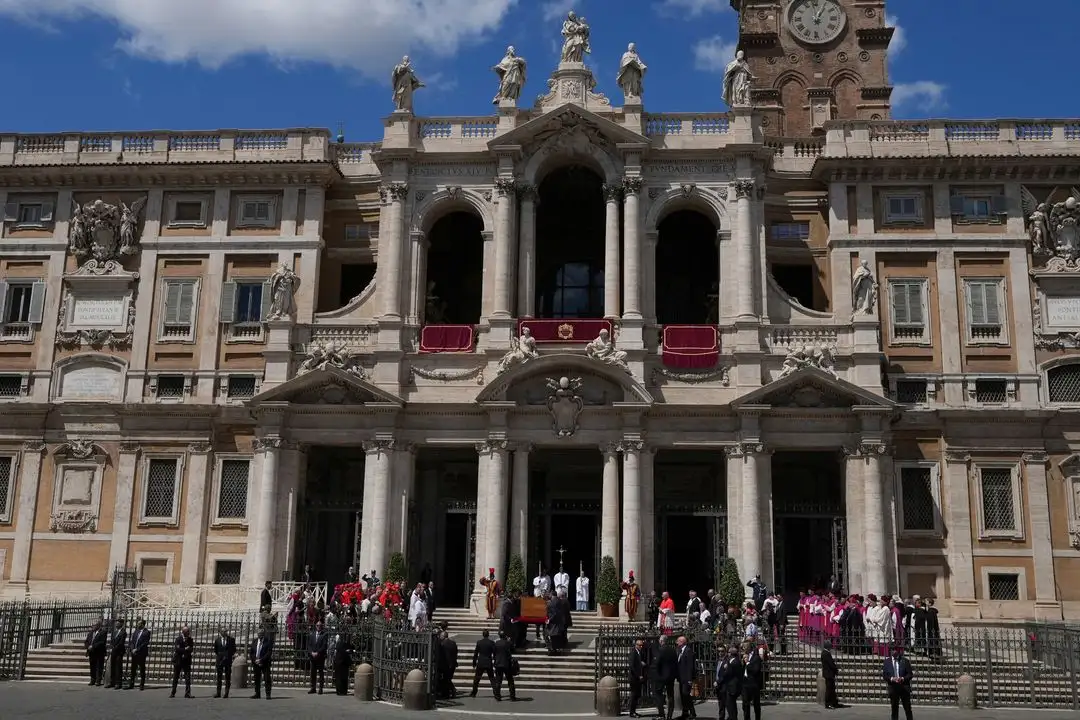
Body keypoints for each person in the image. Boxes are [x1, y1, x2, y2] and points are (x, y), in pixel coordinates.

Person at [883, 645, 914, 720]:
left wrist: (902, 678)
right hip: (893, 688)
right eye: (892, 650)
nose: (894, 651)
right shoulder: (887, 662)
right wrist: (891, 679)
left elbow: (910, 674)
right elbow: (885, 675)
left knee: (907, 708)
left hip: (904, 687)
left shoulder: (905, 661)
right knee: (894, 708)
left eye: (895, 650)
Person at [652, 635, 677, 720]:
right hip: (670, 676)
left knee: (658, 694)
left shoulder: (660, 650)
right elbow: (675, 663)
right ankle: (670, 715)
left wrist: (657, 672)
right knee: (670, 696)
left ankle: (661, 714)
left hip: (661, 676)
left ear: (661, 641)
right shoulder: (673, 650)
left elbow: (657, 663)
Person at [715, 644, 742, 720]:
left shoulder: (729, 661)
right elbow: (717, 672)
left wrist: (718, 681)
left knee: (729, 705)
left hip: (725, 686)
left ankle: (732, 717)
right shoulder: (718, 661)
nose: (720, 653)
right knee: (721, 704)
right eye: (719, 651)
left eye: (722, 651)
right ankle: (722, 717)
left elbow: (725, 674)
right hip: (718, 685)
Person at [471, 629, 497, 698]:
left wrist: (474, 662)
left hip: (481, 662)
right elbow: (494, 653)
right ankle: (496, 693)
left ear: (483, 635)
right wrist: (495, 661)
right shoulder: (491, 643)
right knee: (492, 679)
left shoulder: (479, 642)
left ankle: (474, 692)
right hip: (488, 661)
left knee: (477, 679)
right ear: (488, 635)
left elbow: (476, 653)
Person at [675, 635, 696, 720]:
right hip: (681, 677)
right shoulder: (679, 650)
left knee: (686, 695)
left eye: (678, 641)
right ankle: (685, 712)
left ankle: (693, 713)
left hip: (687, 678)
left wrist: (690, 679)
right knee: (683, 696)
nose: (677, 642)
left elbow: (690, 666)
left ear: (682, 642)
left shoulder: (688, 651)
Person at [170, 625, 194, 699]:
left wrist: (185, 649)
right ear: (183, 632)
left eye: (188, 631)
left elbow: (191, 649)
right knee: (175, 677)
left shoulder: (190, 639)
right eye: (187, 631)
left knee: (187, 678)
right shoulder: (178, 639)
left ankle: (188, 693)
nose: (188, 633)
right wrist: (185, 649)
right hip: (178, 660)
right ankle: (173, 692)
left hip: (186, 661)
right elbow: (177, 649)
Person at [742, 641, 764, 720]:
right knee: (745, 704)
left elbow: (756, 670)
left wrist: (747, 662)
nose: (743, 648)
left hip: (754, 684)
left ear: (749, 647)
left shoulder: (756, 657)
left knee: (756, 705)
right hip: (745, 684)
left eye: (744, 646)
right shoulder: (744, 656)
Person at [250, 629, 274, 699]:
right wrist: (255, 660)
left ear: (263, 634)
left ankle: (268, 694)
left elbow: (269, 653)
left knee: (267, 678)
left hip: (265, 662)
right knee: (257, 678)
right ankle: (257, 693)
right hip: (256, 662)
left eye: (260, 634)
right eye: (258, 634)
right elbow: (251, 652)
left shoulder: (268, 641)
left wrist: (261, 660)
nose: (259, 635)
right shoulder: (254, 641)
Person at [127, 618, 150, 691]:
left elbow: (145, 643)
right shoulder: (136, 631)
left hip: (141, 653)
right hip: (134, 653)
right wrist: (132, 648)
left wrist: (137, 649)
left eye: (139, 623)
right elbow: (132, 641)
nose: (137, 624)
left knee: (142, 669)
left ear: (143, 624)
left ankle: (142, 684)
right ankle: (131, 683)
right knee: (133, 669)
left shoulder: (147, 632)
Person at [213, 627, 236, 698]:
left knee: (227, 677)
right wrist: (221, 656)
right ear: (220, 633)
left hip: (228, 660)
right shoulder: (217, 640)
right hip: (219, 661)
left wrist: (228, 655)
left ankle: (226, 692)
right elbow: (216, 650)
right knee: (219, 677)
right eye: (223, 631)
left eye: (226, 631)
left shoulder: (231, 640)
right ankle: (218, 692)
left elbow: (234, 649)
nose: (224, 633)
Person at [494, 631, 517, 701]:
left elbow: (494, 653)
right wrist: (510, 641)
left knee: (498, 681)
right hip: (507, 664)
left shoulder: (496, 643)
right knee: (510, 681)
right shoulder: (508, 643)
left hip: (498, 664)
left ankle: (497, 696)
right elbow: (513, 650)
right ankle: (512, 696)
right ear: (505, 636)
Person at [628, 637, 648, 717]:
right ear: (636, 645)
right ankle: (631, 712)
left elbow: (638, 663)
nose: (641, 647)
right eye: (639, 645)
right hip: (634, 678)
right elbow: (632, 666)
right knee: (634, 695)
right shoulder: (633, 653)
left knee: (636, 695)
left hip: (638, 678)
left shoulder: (640, 653)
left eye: (642, 645)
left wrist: (641, 664)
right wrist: (638, 675)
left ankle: (634, 711)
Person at [331, 626, 354, 696]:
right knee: (340, 678)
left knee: (342, 677)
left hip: (342, 663)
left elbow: (350, 650)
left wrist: (349, 651)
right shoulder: (340, 643)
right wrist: (348, 651)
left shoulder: (343, 642)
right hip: (341, 662)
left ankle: (342, 691)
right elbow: (343, 651)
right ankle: (340, 691)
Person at [308, 619, 328, 694]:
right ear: (315, 626)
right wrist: (311, 652)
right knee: (313, 673)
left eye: (320, 625)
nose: (319, 627)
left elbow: (324, 645)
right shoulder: (312, 634)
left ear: (322, 626)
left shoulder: (324, 634)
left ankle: (320, 688)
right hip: (313, 657)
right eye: (317, 625)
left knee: (320, 673)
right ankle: (313, 687)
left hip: (320, 656)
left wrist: (318, 652)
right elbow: (309, 645)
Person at [84, 620, 107, 686]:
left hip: (99, 652)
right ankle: (92, 679)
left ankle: (98, 680)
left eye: (94, 625)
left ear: (98, 625)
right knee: (92, 667)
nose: (92, 626)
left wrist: (93, 646)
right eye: (92, 625)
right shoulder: (90, 633)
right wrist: (87, 646)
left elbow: (102, 642)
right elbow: (87, 641)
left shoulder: (103, 632)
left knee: (99, 667)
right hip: (91, 652)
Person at [106, 618, 126, 689]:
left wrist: (114, 648)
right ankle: (112, 682)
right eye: (116, 623)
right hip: (113, 651)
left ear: (121, 624)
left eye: (118, 623)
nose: (116, 624)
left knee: (118, 667)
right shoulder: (114, 632)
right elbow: (112, 641)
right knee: (113, 666)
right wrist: (111, 647)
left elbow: (121, 643)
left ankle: (118, 683)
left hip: (119, 652)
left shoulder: (123, 632)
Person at [438, 630, 458, 698]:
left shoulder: (442, 644)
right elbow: (455, 653)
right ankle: (448, 692)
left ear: (443, 636)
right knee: (448, 679)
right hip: (452, 664)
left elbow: (441, 655)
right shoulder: (453, 643)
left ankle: (451, 691)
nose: (440, 637)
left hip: (445, 664)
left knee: (446, 679)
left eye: (440, 636)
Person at [821, 639, 840, 708]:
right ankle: (828, 703)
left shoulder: (825, 653)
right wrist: (835, 670)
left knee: (832, 689)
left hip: (828, 674)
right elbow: (831, 664)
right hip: (828, 674)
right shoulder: (826, 653)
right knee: (829, 689)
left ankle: (834, 702)